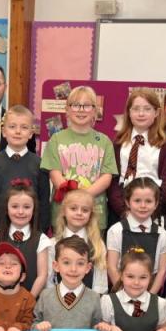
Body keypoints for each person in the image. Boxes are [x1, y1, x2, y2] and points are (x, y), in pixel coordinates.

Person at [41, 85, 117, 232]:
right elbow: (55, 175)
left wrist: (84, 196)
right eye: (76, 105)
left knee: (94, 253)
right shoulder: (56, 139)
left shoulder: (104, 141)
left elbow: (106, 177)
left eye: (87, 106)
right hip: (63, 214)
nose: (81, 110)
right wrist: (74, 200)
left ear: (95, 111)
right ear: (67, 110)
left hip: (95, 214)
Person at [107, 88, 166, 220]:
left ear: (156, 112)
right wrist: (124, 211)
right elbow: (113, 181)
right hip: (121, 211)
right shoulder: (118, 143)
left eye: (147, 109)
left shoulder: (165, 145)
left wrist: (151, 210)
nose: (141, 114)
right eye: (136, 109)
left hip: (154, 211)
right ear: (129, 112)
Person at [0, 105, 50, 231]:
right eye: (12, 127)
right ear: (4, 131)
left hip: (31, 230)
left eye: (24, 127)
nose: (18, 131)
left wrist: (41, 231)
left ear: (31, 133)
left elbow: (44, 202)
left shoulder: (39, 164)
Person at [0, 179, 52, 299]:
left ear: (34, 209)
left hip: (30, 304)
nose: (20, 212)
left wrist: (28, 301)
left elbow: (42, 275)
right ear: (6, 208)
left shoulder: (41, 240)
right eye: (15, 206)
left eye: (26, 207)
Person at [98, 247, 166, 331]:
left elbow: (164, 327)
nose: (136, 282)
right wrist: (111, 328)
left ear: (150, 278)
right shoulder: (108, 301)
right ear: (122, 276)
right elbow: (101, 328)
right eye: (130, 276)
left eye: (143, 277)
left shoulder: (160, 303)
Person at [106, 177, 166, 293]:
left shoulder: (162, 234)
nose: (143, 205)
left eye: (148, 201)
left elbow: (162, 270)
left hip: (150, 291)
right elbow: (112, 267)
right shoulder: (116, 231)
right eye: (137, 201)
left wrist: (150, 297)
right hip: (121, 292)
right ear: (127, 202)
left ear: (156, 204)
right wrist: (123, 295)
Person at [33, 237, 105, 331]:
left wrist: (101, 328)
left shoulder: (94, 297)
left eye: (80, 263)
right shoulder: (45, 296)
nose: (73, 269)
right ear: (56, 266)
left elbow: (95, 329)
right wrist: (38, 326)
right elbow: (34, 324)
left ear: (88, 268)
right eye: (66, 262)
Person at [53, 188, 108, 294]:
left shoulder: (97, 244)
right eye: (73, 208)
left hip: (89, 302)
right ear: (64, 211)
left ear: (90, 214)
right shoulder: (53, 243)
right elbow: (50, 279)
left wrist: (95, 301)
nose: (79, 213)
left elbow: (100, 283)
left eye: (85, 210)